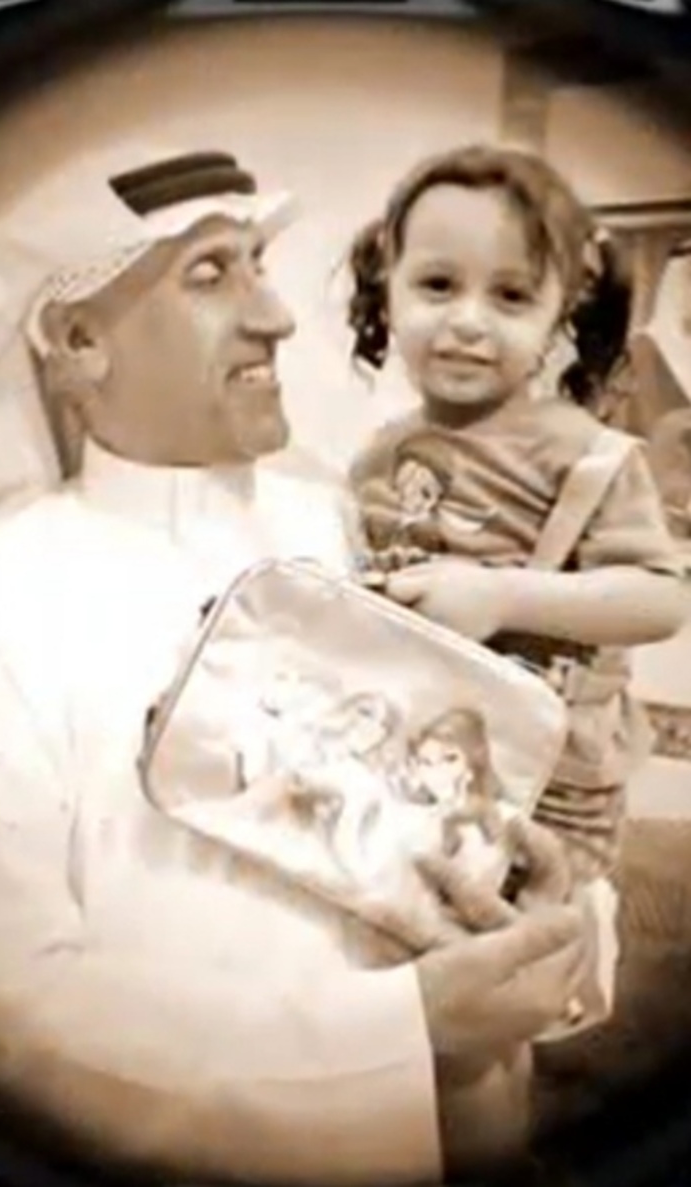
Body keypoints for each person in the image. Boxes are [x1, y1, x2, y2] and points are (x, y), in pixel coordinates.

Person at [0, 145, 588, 1186]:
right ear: (78, 342)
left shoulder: (330, 527)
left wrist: (518, 914)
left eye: (259, 264)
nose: (277, 316)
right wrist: (401, 1026)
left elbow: (399, 828)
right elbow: (1, 1012)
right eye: (210, 273)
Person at [344, 143, 687, 1036]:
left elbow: (660, 596)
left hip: (557, 785)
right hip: (425, 762)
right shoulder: (378, 454)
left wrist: (502, 599)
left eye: (510, 296)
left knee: (528, 985)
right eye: (437, 285)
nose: (467, 322)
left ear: (557, 313)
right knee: (426, 960)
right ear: (387, 289)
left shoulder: (589, 454)